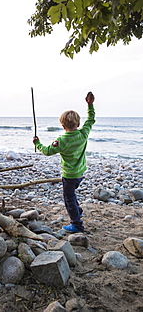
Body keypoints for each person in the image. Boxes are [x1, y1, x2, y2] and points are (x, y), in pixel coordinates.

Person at [33, 92, 95, 233]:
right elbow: (91, 120)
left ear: (62, 125)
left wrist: (38, 143)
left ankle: (77, 224)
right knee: (72, 195)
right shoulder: (83, 134)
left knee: (69, 200)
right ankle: (78, 211)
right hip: (80, 173)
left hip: (69, 175)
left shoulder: (61, 141)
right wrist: (90, 105)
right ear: (78, 124)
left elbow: (47, 151)